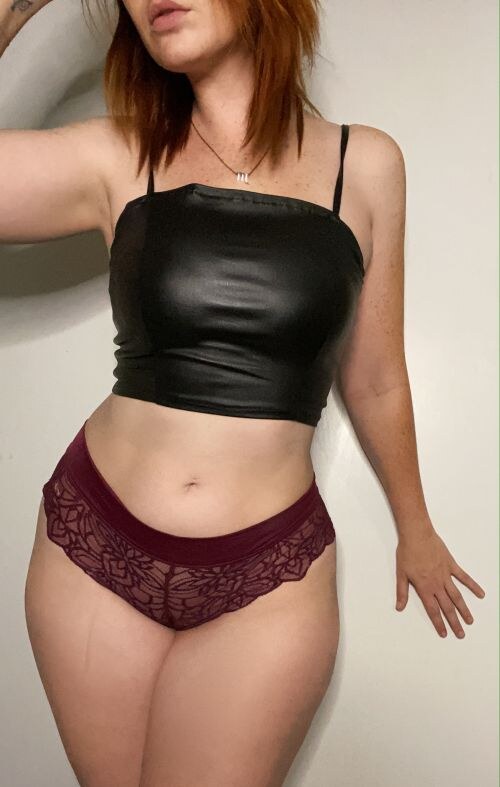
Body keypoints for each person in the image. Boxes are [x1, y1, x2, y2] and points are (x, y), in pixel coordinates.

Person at [1, 0, 486, 785]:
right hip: (92, 550)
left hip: (266, 575)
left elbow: (375, 375)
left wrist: (416, 524)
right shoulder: (119, 153)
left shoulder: (364, 165)